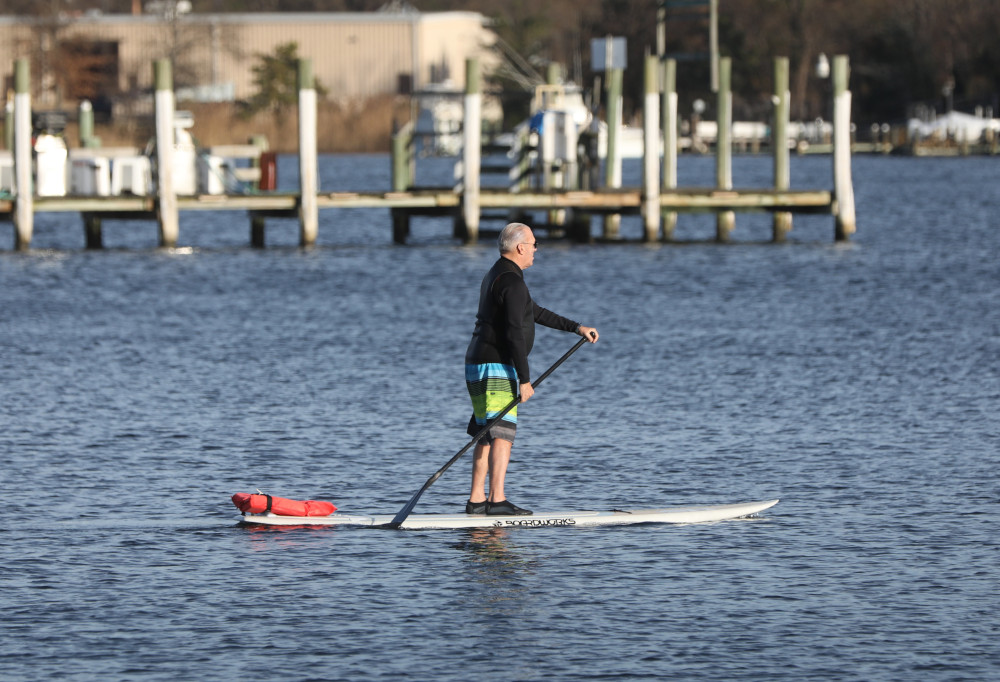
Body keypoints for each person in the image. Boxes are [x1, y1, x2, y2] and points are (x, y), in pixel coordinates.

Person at [464, 222, 598, 515]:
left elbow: (533, 311)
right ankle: (496, 500)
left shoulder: (498, 274)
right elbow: (514, 332)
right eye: (534, 244)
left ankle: (476, 501)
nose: (536, 250)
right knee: (501, 434)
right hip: (496, 366)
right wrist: (524, 380)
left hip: (479, 363)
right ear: (520, 247)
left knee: (486, 434)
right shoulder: (511, 281)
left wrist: (576, 327)